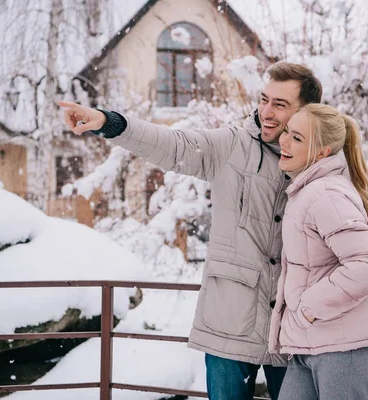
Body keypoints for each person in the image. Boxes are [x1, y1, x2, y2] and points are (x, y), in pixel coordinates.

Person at [58, 62, 325, 400]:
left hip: (292, 331)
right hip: (229, 323)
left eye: (280, 105)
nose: (266, 112)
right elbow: (174, 145)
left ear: (307, 111)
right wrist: (111, 124)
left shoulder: (322, 162)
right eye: (264, 100)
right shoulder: (232, 145)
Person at [268, 104, 368, 400]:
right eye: (286, 132)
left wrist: (307, 309)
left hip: (345, 352)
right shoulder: (308, 190)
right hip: (311, 345)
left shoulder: (325, 194)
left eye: (297, 138)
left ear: (322, 152)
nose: (283, 141)